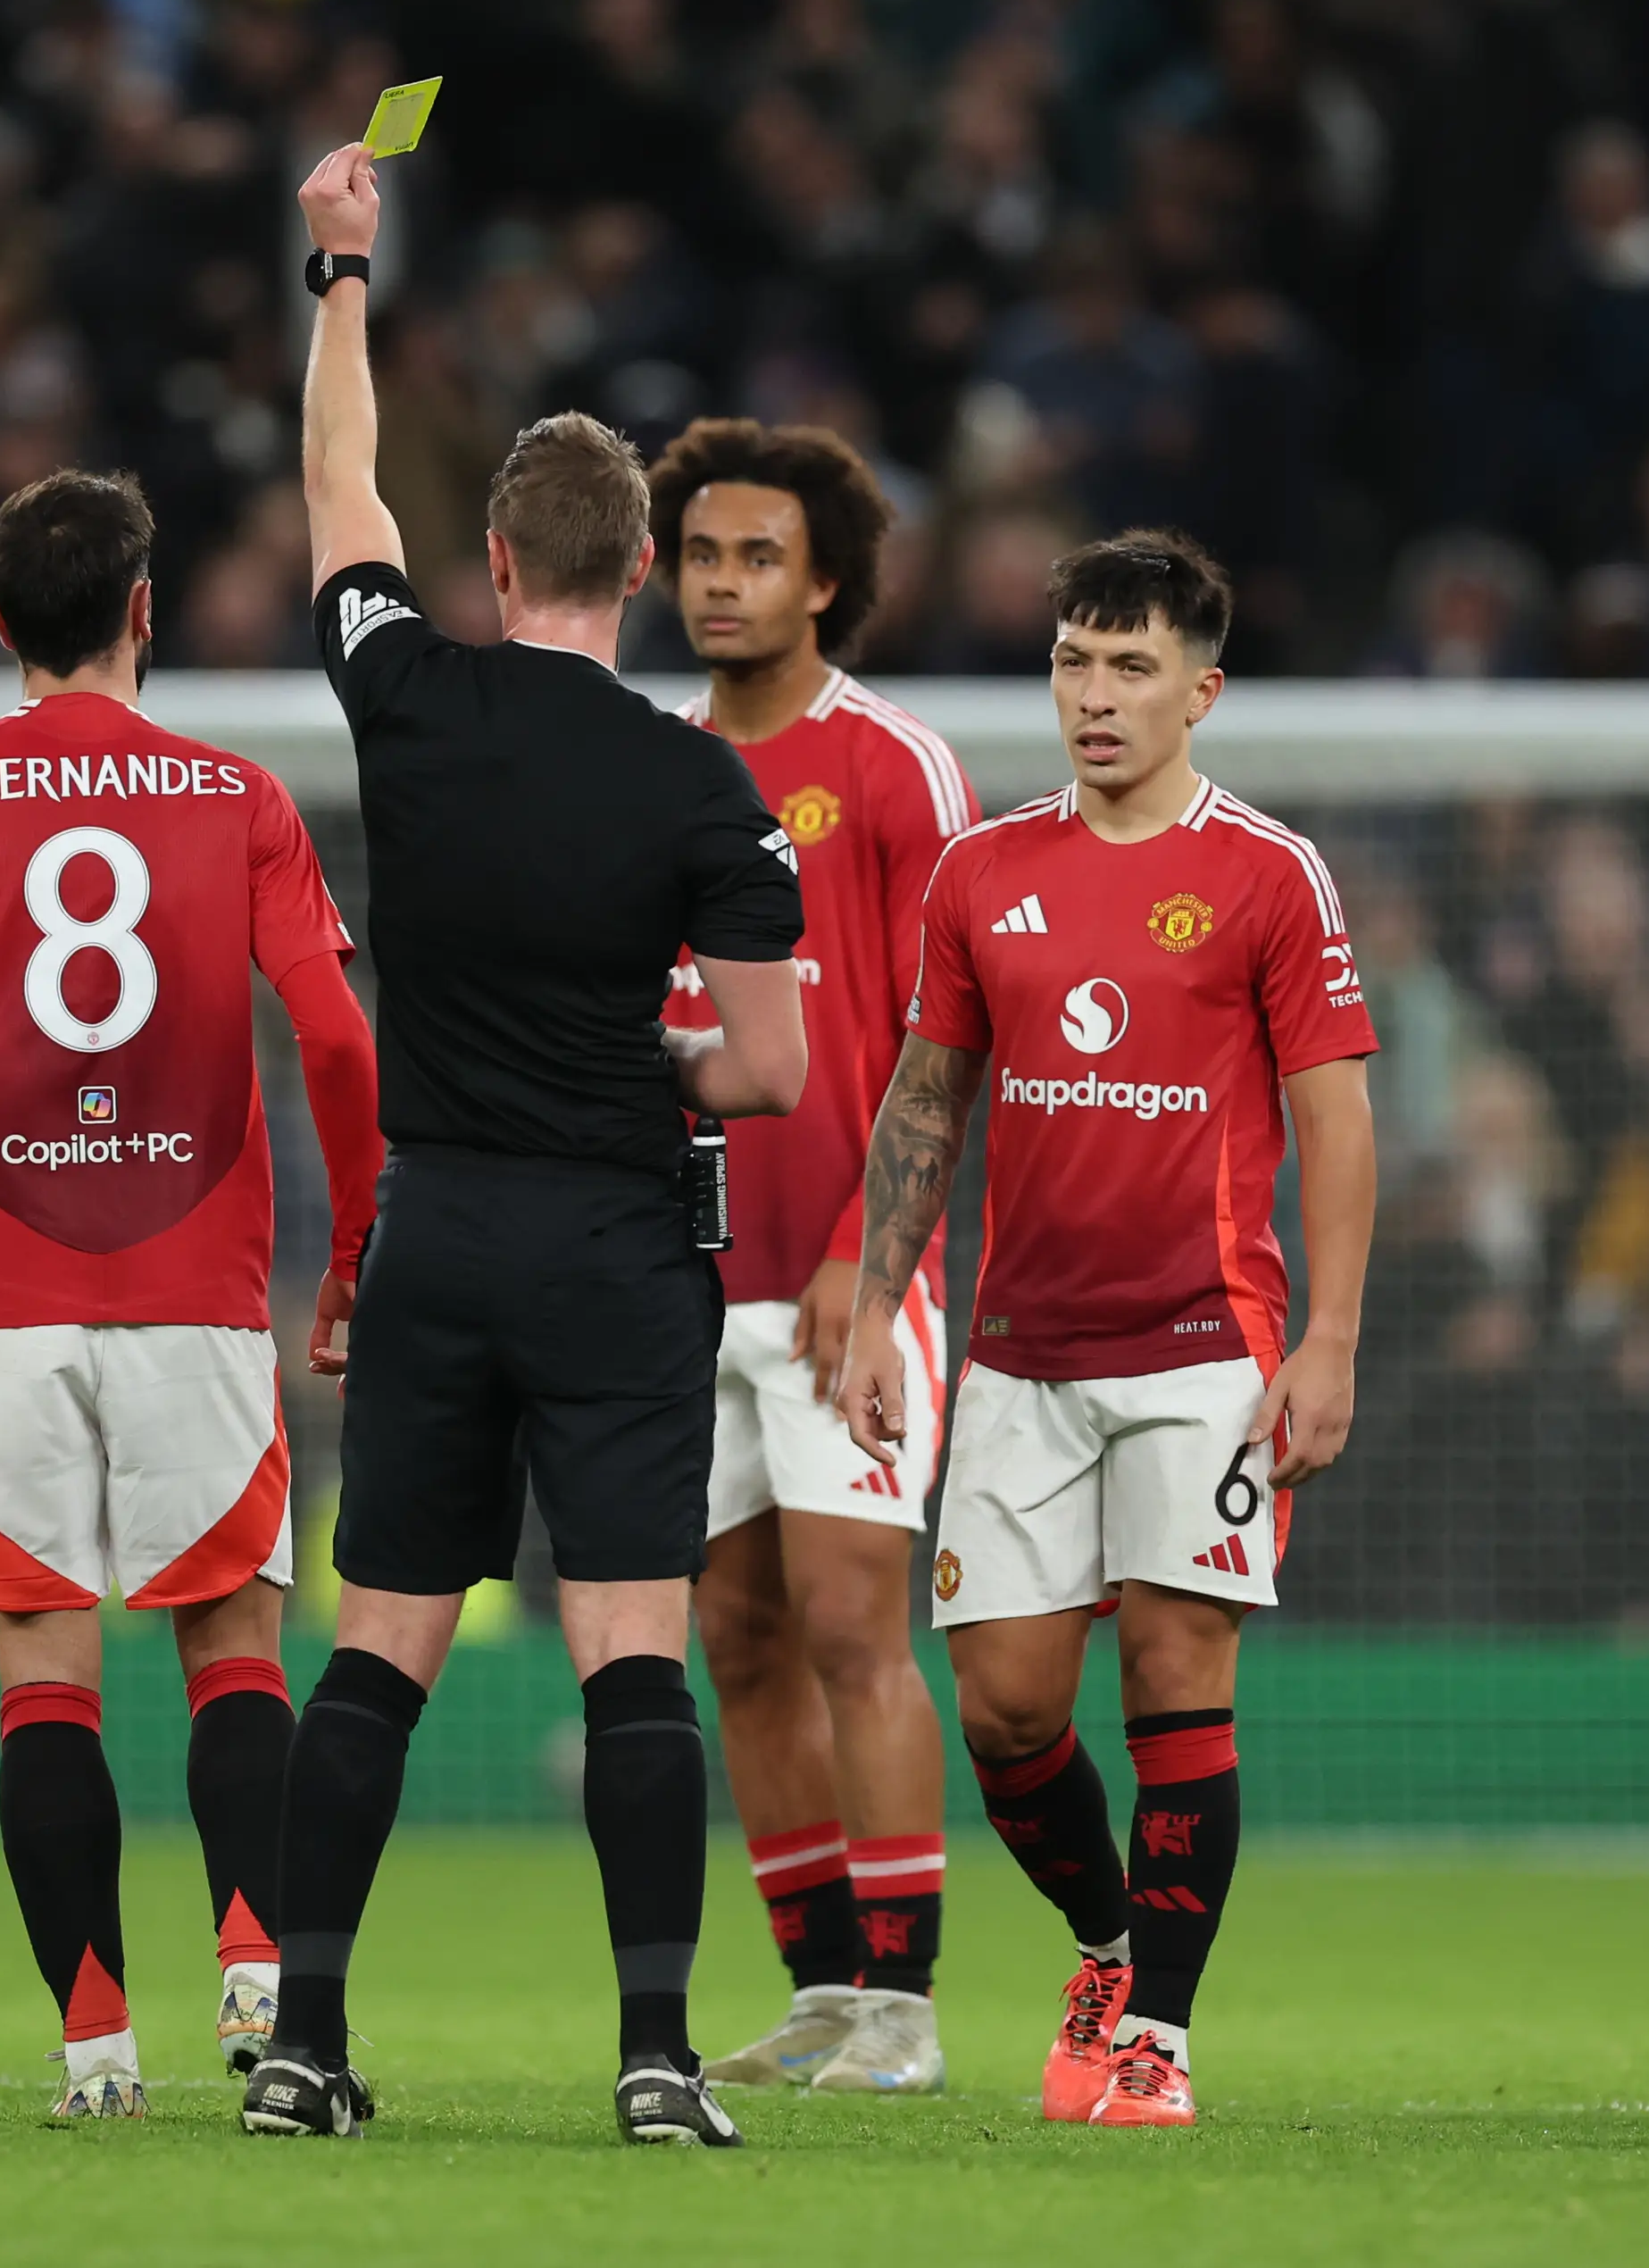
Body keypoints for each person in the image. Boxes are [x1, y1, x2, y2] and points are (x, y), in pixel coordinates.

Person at [242, 144, 808, 2149]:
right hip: (614, 1250)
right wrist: (648, 1057)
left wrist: (340, 270)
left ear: (495, 560)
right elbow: (769, 1071)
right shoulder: (706, 797)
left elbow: (334, 490)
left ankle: (301, 2042)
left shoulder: (409, 697)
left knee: (380, 1645)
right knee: (630, 1652)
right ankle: (656, 2059)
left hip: (436, 1233)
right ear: (639, 570)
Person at [0, 469, 384, 2122]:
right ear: (143, 609)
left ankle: (97, 2047)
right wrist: (350, 1253)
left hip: (6, 1306)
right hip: (194, 1291)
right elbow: (336, 1035)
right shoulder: (237, 794)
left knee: (44, 1676)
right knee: (234, 1648)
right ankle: (257, 1964)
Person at [834, 529, 1378, 2130]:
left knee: (1172, 1671)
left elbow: (1335, 1122)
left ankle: (1157, 2035)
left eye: (1131, 665)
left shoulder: (1270, 876)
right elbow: (925, 1095)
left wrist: (1330, 1337)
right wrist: (876, 1304)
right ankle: (1108, 1937)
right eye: (1074, 657)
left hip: (1206, 1345)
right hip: (1016, 1353)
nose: (1094, 693)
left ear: (1200, 689)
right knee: (1004, 1704)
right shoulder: (979, 873)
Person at [646, 417, 978, 2096]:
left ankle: (908, 2012)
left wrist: (872, 1244)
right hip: (692, 1278)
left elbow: (944, 1033)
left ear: (826, 579)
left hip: (850, 1278)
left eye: (757, 554)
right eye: (701, 553)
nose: (722, 581)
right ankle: (828, 1988)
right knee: (739, 1631)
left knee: (854, 1619)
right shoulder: (653, 760)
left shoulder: (899, 767)